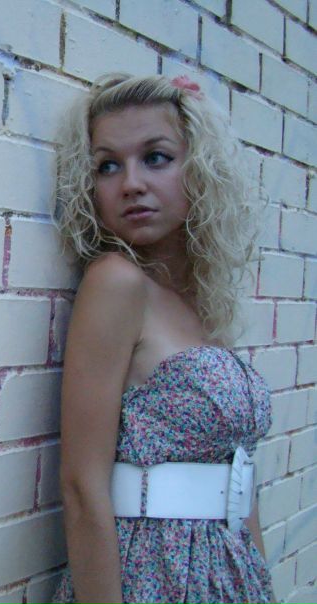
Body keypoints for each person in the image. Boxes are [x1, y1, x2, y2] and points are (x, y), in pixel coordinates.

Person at [50, 73, 275, 604]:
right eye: (108, 165)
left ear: (200, 167)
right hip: (155, 575)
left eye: (156, 157)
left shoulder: (201, 301)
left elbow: (238, 482)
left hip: (228, 572)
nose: (131, 183)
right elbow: (82, 487)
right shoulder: (116, 283)